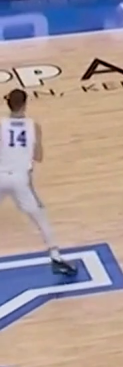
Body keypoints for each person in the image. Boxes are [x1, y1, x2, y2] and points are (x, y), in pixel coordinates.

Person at [0, 89, 76, 276]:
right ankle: (56, 257)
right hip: (20, 179)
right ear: (25, 104)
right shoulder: (34, 126)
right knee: (41, 218)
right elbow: (38, 156)